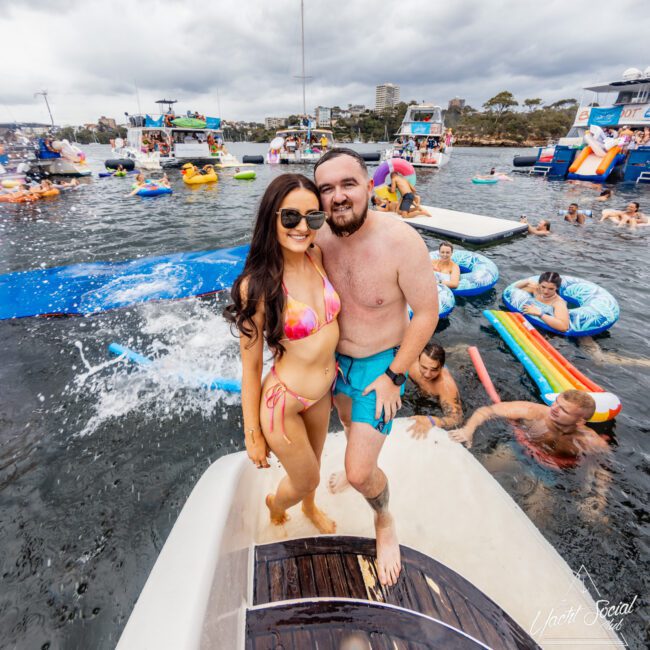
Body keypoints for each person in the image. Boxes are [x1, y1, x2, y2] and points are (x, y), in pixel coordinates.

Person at [313, 148, 439, 586]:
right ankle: (359, 465)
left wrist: (395, 376)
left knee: (359, 472)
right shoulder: (316, 241)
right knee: (350, 433)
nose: (338, 196)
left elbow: (426, 313)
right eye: (326, 189)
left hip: (381, 365)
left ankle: (384, 520)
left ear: (370, 186)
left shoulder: (401, 240)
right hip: (334, 363)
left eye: (348, 184)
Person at [223, 173, 339, 535]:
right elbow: (252, 365)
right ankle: (276, 504)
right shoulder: (255, 286)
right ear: (271, 217)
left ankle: (309, 505)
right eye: (290, 217)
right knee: (305, 478)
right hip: (283, 403)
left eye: (313, 218)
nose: (302, 227)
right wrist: (252, 434)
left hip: (322, 393)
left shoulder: (317, 256)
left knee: (315, 468)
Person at [448, 390, 608, 460]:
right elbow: (487, 411)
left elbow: (602, 468)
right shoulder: (533, 412)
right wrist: (468, 429)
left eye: (563, 409)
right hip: (518, 450)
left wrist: (598, 497)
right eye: (555, 403)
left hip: (552, 469)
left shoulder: (590, 440)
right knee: (486, 474)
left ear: (580, 421)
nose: (554, 409)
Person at [406, 340, 463, 434]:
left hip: (434, 400)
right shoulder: (411, 364)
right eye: (424, 367)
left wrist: (432, 420)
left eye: (434, 370)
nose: (427, 374)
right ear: (419, 360)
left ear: (441, 367)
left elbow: (456, 419)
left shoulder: (445, 386)